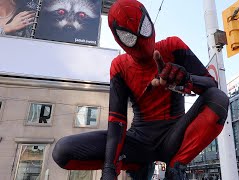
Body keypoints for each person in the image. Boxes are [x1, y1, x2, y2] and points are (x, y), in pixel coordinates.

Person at [52, 0, 229, 179]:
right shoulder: (120, 67)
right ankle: (168, 166)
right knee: (62, 151)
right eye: (129, 37)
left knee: (218, 98)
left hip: (174, 138)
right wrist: (109, 169)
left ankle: (175, 166)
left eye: (142, 28)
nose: (140, 41)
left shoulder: (173, 47)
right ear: (119, 39)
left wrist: (186, 79)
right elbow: (117, 120)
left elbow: (211, 87)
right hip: (140, 141)